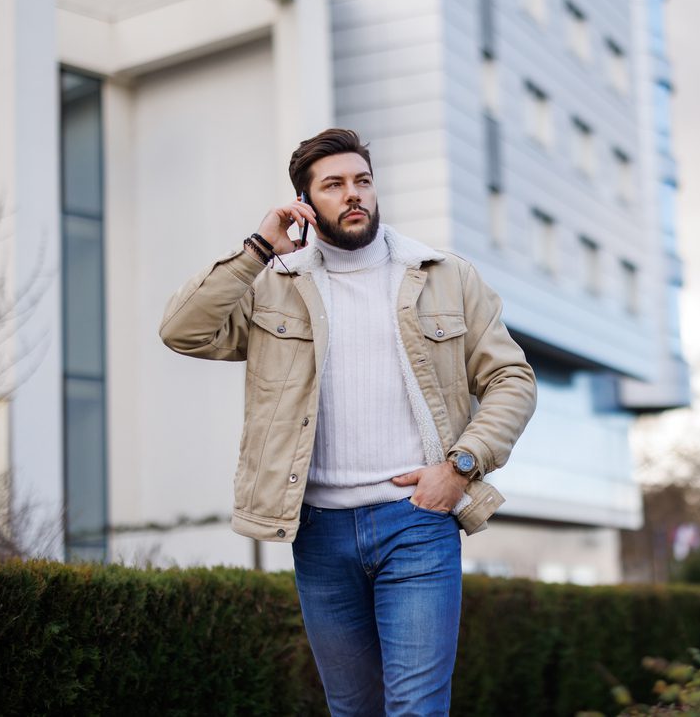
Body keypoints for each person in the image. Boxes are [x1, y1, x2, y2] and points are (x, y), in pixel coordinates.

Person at [159, 128, 537, 716]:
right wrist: (260, 246)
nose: (353, 194)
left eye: (362, 180)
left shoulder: (444, 275)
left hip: (416, 522)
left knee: (415, 708)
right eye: (333, 185)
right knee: (352, 708)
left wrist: (461, 466)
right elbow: (183, 330)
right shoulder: (271, 287)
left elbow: (512, 379)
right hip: (318, 531)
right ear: (305, 204)